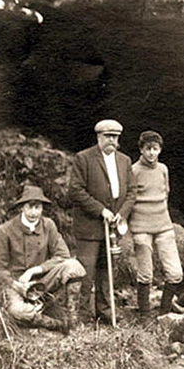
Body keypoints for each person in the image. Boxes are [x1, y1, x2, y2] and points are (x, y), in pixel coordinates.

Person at [0, 185, 86, 333]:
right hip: (16, 285)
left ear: (42, 208)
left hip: (42, 282)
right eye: (30, 207)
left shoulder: (48, 225)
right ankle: (56, 324)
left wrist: (34, 270)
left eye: (38, 207)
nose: (34, 213)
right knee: (18, 311)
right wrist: (16, 285)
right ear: (22, 207)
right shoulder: (5, 231)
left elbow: (62, 255)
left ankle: (72, 322)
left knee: (74, 266)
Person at [69, 119, 136, 324]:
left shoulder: (124, 161)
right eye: (108, 136)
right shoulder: (84, 158)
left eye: (115, 137)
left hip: (113, 227)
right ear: (99, 137)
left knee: (106, 272)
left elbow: (132, 192)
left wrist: (122, 213)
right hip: (89, 227)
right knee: (86, 273)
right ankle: (82, 317)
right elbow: (76, 190)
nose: (112, 140)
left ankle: (105, 314)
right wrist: (100, 210)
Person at [128, 130, 183, 317]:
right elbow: (128, 198)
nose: (152, 153)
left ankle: (164, 314)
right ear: (141, 150)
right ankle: (144, 316)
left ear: (160, 150)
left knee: (175, 273)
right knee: (145, 274)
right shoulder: (133, 171)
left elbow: (166, 193)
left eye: (155, 149)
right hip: (141, 227)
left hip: (163, 225)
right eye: (148, 149)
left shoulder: (163, 169)